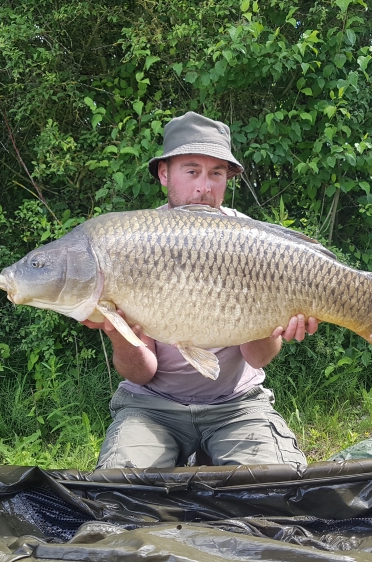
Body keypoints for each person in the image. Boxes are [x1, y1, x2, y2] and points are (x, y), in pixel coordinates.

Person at [82, 111, 318, 469]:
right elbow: (142, 373)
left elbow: (257, 358)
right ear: (165, 174)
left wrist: (273, 326)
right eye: (191, 171)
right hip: (152, 406)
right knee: (119, 492)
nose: (204, 188)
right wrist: (119, 334)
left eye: (216, 174)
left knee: (276, 490)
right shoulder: (131, 243)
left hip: (236, 405)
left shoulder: (255, 243)